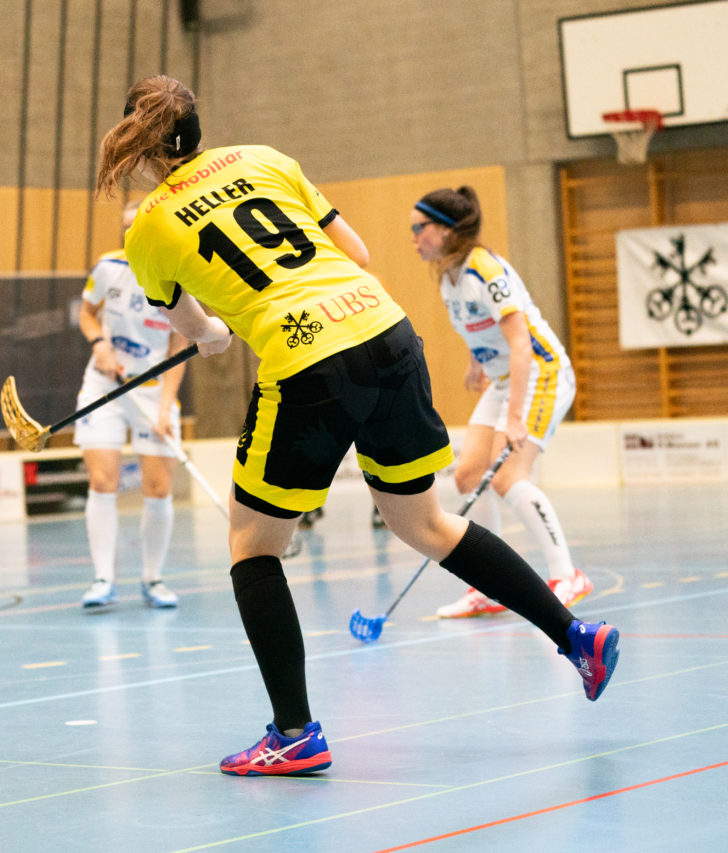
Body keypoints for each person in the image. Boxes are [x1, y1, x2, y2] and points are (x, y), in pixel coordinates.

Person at [96, 74, 620, 777]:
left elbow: (197, 328)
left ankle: (294, 732)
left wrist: (218, 331)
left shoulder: (150, 226)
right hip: (387, 333)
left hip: (307, 357)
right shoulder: (264, 159)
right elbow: (359, 253)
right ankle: (576, 636)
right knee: (427, 524)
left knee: (253, 546)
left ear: (143, 146)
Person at [410, 187, 591, 618]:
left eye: (420, 228)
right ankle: (489, 586)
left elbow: (521, 343)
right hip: (504, 378)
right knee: (468, 476)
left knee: (509, 476)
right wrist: (476, 363)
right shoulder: (448, 277)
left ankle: (568, 575)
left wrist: (513, 418)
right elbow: (481, 328)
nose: (414, 238)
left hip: (541, 372)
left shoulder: (485, 270)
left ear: (446, 229)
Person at [75, 200, 188, 609]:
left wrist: (165, 407)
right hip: (105, 384)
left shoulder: (178, 278)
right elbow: (87, 314)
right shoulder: (108, 267)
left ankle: (153, 579)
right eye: (124, 227)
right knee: (102, 481)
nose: (128, 235)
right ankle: (103, 579)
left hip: (153, 389)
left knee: (158, 487)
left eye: (135, 227)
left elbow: (180, 346)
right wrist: (99, 344)